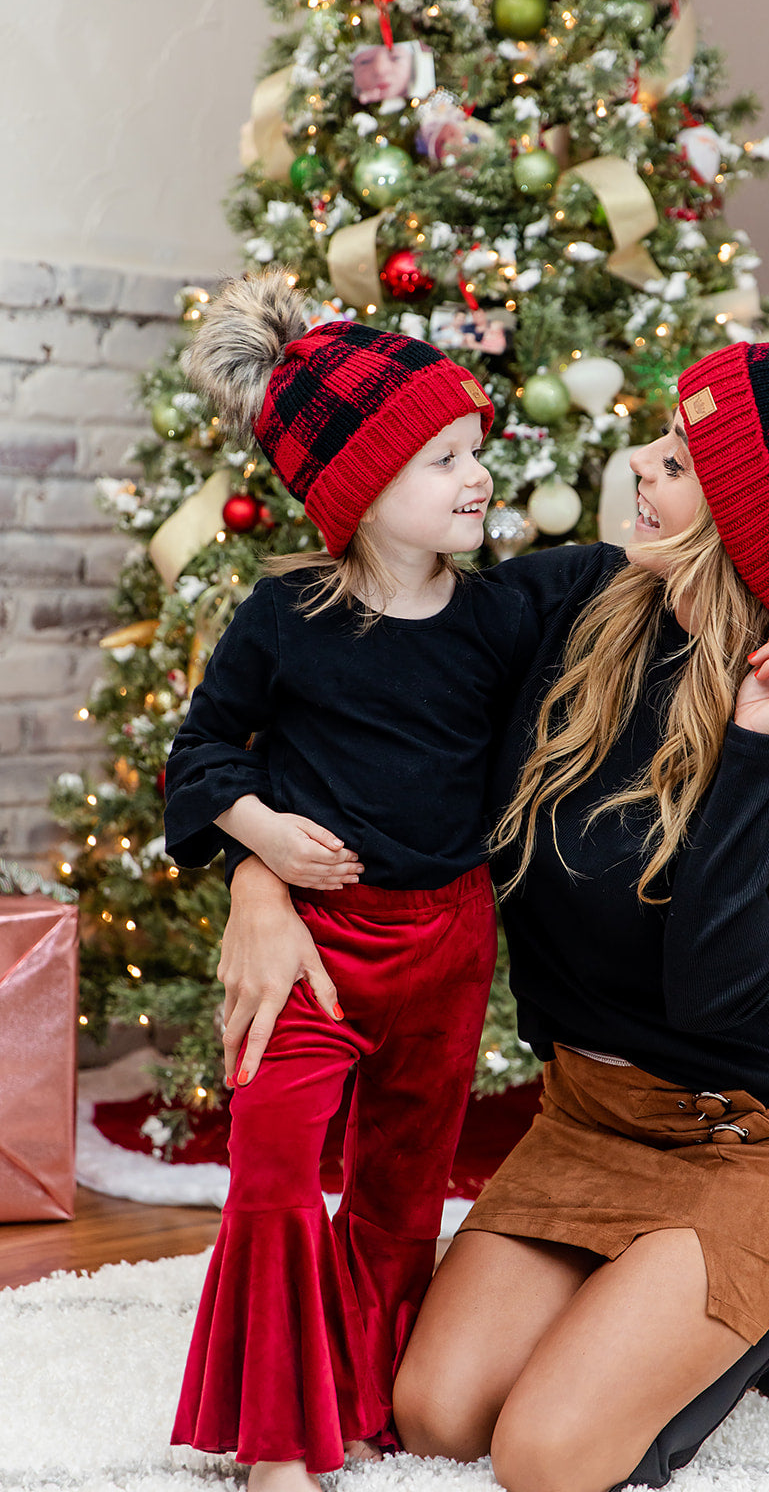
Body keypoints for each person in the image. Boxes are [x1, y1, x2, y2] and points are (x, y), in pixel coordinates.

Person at [214, 342, 769, 1490]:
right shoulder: (572, 598)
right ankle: (694, 1297)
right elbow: (351, 696)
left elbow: (716, 979)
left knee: (545, 1457)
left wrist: (751, 747)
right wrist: (257, 874)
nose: (641, 465)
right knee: (439, 1411)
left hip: (753, 1132)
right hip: (589, 1117)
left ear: (754, 524)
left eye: (683, 463)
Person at [161, 268, 536, 1492]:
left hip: (447, 941)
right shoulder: (282, 617)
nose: (475, 474)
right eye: (441, 457)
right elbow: (205, 750)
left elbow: (630, 606)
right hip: (316, 944)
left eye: (475, 447)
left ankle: (362, 1404)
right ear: (362, 493)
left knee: (398, 1186)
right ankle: (274, 1438)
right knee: (271, 1165)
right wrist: (261, 839)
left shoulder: (502, 619)